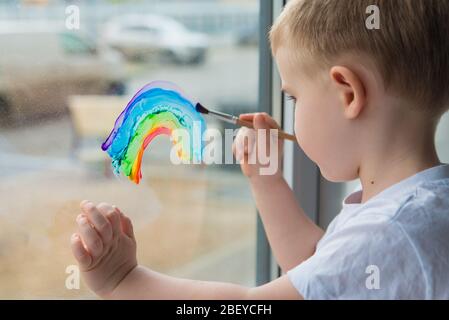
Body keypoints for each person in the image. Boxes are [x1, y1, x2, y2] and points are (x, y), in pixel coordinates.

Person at [71, 0, 449, 299]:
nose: (291, 111)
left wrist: (123, 281)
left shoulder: (390, 231)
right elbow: (317, 272)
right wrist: (267, 180)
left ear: (347, 93)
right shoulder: (418, 209)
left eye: (295, 97)